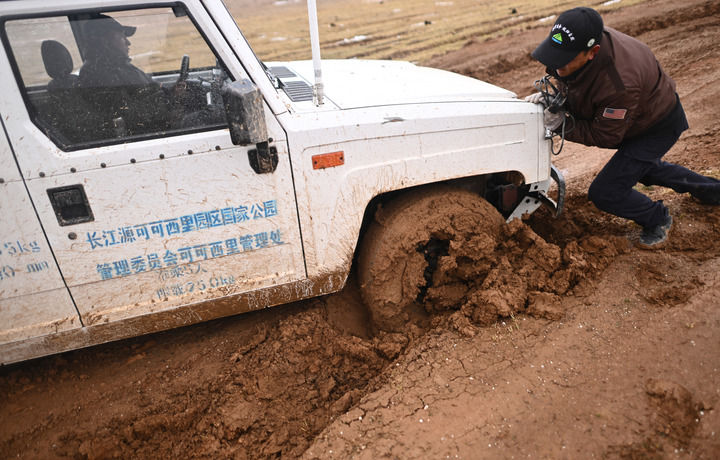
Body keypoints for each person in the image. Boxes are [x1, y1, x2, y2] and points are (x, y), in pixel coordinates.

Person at [526, 7, 720, 248]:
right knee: (643, 169)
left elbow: (605, 134)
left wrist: (561, 124)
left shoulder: (619, 83)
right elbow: (579, 84)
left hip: (656, 126)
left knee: (606, 192)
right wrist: (557, 100)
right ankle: (713, 191)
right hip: (637, 116)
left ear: (592, 52)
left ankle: (657, 218)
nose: (556, 68)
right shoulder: (586, 35)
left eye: (563, 61)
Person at [78, 14, 176, 137]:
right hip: (148, 132)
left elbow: (148, 92)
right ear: (104, 41)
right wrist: (170, 105)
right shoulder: (98, 73)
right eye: (122, 36)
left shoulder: (118, 66)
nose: (128, 42)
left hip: (157, 121)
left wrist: (172, 93)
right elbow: (126, 113)